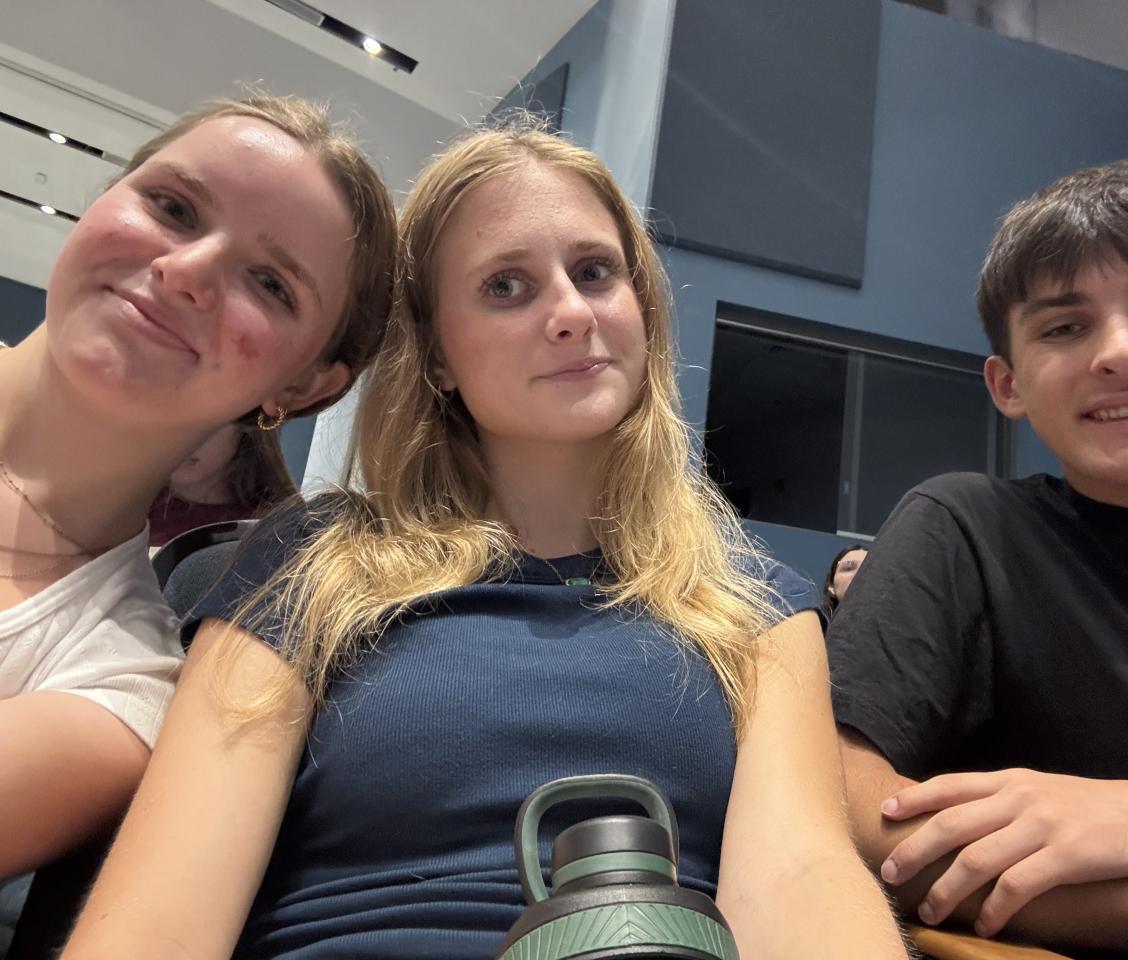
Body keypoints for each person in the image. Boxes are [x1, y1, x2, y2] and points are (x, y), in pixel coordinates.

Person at [62, 121, 910, 960]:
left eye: (594, 272)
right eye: (507, 286)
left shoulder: (751, 601)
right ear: (436, 356)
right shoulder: (309, 562)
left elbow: (798, 881)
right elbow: (162, 918)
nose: (570, 312)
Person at [826, 161, 1128, 958]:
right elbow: (849, 803)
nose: (1121, 352)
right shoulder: (966, 530)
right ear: (1008, 384)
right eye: (1066, 328)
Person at [0, 94, 396, 883]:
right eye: (172, 207)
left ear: (304, 386)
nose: (183, 273)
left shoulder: (119, 688)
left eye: (271, 284)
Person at [148, 423, 297, 547]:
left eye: (206, 415)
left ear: (247, 419)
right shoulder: (136, 511)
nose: (182, 437)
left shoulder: (278, 534)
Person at [821, 543, 868, 621]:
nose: (859, 573)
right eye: (848, 567)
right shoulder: (812, 626)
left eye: (867, 569)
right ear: (831, 586)